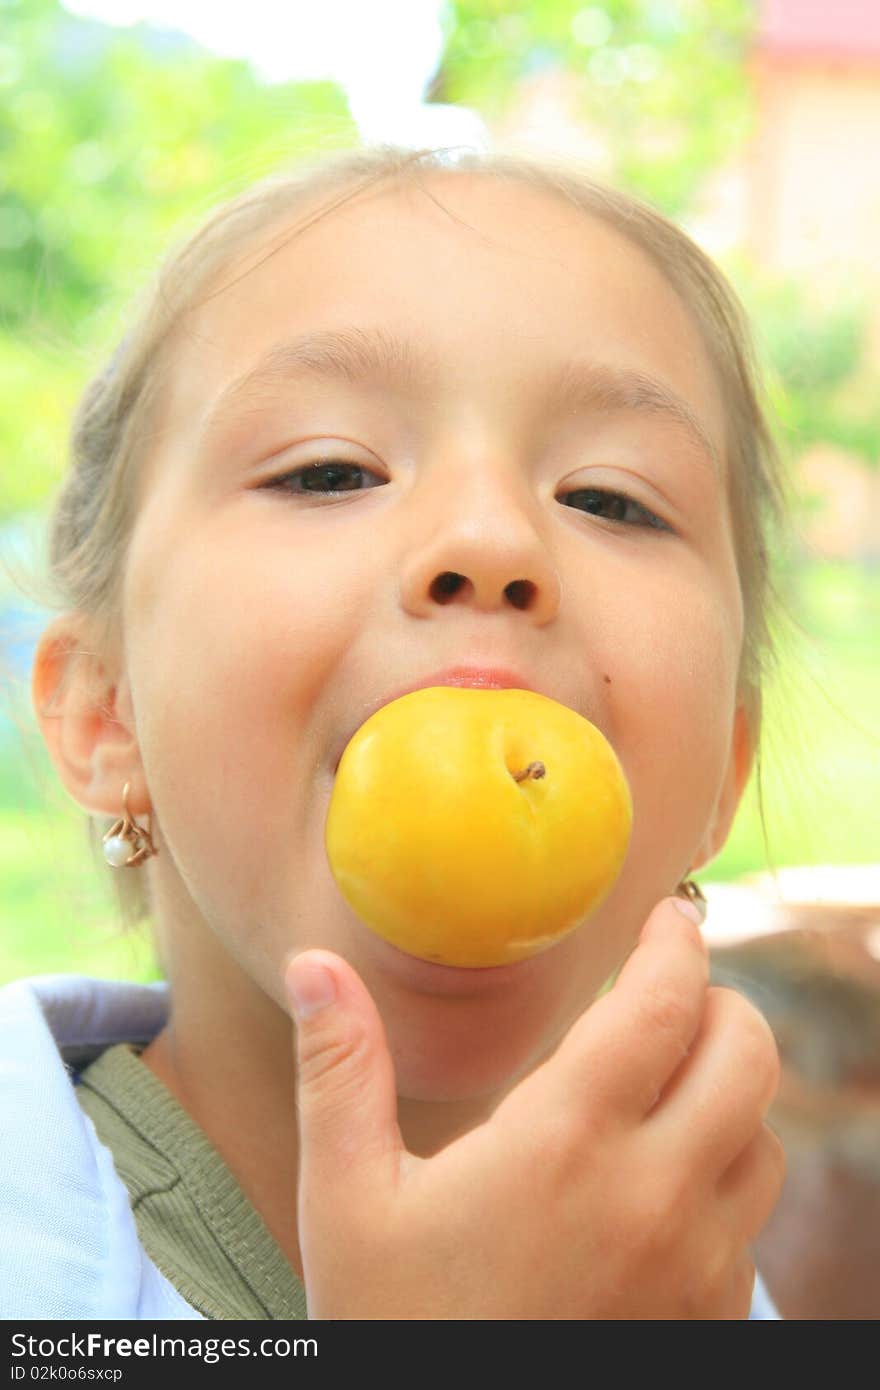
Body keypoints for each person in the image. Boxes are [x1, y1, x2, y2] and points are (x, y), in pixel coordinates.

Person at [2, 142, 787, 1320]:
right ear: (106, 714)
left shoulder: (691, 1285)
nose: (491, 539)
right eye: (328, 471)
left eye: (609, 496)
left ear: (719, 778)